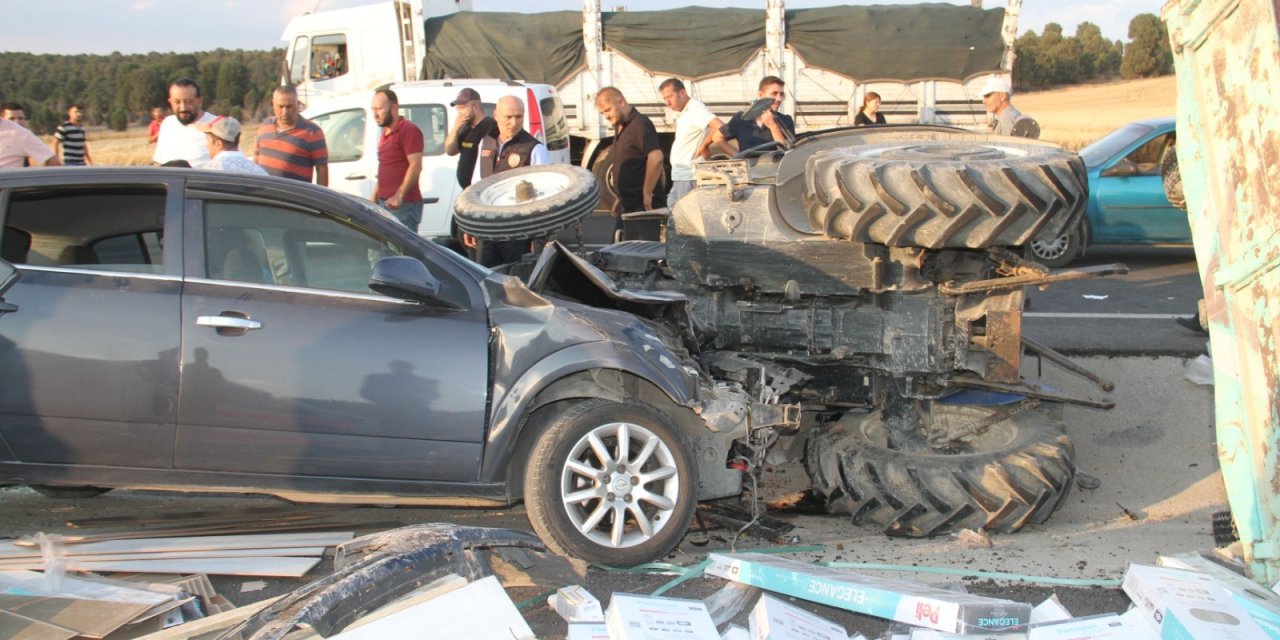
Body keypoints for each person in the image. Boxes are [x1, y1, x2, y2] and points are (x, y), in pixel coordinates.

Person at [476, 95, 550, 267]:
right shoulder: (486, 142)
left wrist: (538, 237)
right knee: (485, 277)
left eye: (519, 117)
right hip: (487, 228)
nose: (514, 122)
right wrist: (471, 224)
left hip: (517, 233)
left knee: (516, 281)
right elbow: (475, 187)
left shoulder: (534, 148)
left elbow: (544, 198)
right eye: (508, 117)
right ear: (496, 115)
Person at [595, 86, 663, 236]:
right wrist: (620, 197)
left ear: (620, 101)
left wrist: (647, 192)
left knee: (641, 252)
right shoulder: (620, 126)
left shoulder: (640, 124)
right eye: (602, 113)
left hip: (641, 207)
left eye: (607, 110)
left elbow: (656, 157)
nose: (606, 116)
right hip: (627, 203)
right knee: (617, 251)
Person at [658, 78, 724, 208]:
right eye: (664, 98)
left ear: (682, 93)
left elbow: (720, 126)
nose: (667, 102)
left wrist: (704, 145)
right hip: (681, 176)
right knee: (674, 214)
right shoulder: (685, 112)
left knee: (685, 219)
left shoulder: (695, 109)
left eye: (670, 96)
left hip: (689, 175)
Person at [371, 88, 425, 232]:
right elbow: (386, 167)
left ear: (394, 107)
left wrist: (399, 195)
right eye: (373, 109)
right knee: (384, 250)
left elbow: (416, 165)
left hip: (403, 205)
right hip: (385, 203)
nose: (375, 114)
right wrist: (375, 196)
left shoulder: (408, 130)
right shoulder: (385, 132)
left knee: (402, 251)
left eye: (380, 108)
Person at [255, 85, 329, 185]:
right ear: (273, 104)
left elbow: (322, 169)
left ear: (298, 105)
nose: (285, 112)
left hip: (293, 198)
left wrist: (321, 198)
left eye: (289, 106)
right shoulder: (265, 126)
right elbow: (256, 160)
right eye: (280, 106)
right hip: (264, 197)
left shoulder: (312, 132)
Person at [712, 76, 795, 156]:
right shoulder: (741, 119)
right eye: (774, 93)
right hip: (749, 169)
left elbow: (787, 154)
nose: (779, 99)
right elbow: (717, 138)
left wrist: (773, 127)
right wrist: (737, 156)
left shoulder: (785, 120)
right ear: (760, 95)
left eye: (781, 94)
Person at [153, 78, 218, 168]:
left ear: (200, 101)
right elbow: (158, 162)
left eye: (189, 102)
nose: (183, 108)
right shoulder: (168, 124)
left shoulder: (217, 125)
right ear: (170, 102)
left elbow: (231, 163)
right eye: (177, 102)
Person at [444, 87, 497, 190]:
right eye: (458, 109)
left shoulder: (490, 126)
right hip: (467, 189)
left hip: (481, 187)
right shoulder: (465, 127)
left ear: (475, 106)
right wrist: (455, 128)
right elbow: (450, 151)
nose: (459, 112)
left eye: (462, 108)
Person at [198, 115, 268, 175]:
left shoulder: (208, 172)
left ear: (218, 144)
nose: (206, 145)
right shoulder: (259, 172)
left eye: (208, 141)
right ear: (238, 139)